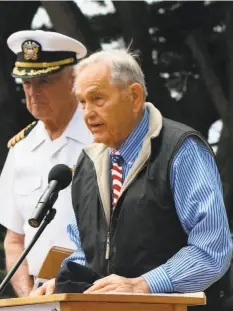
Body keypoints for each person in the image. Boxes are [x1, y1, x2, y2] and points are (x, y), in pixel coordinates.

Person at [33, 50, 233, 310]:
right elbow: (88, 252)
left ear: (134, 96)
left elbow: (212, 249)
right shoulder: (87, 163)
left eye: (97, 99)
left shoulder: (180, 150)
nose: (87, 113)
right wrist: (62, 284)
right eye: (82, 102)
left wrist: (144, 285)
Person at [0, 30, 93, 297]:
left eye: (45, 81)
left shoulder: (103, 138)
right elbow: (14, 241)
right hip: (39, 295)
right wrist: (28, 299)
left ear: (74, 80)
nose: (33, 92)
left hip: (94, 290)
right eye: (26, 83)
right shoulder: (21, 149)